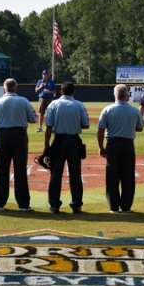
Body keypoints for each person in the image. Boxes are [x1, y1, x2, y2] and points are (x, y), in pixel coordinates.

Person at [0, 78, 37, 211]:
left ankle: (0, 203)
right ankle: (23, 204)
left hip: (2, 136)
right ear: (16, 88)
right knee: (20, 169)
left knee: (2, 169)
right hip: (19, 135)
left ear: (4, 89)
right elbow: (33, 119)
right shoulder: (24, 101)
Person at [98, 84, 144, 213]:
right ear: (127, 95)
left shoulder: (107, 109)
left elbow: (101, 130)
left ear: (115, 95)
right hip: (128, 145)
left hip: (112, 144)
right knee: (128, 176)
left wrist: (101, 147)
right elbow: (140, 128)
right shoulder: (135, 110)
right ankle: (126, 207)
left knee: (112, 176)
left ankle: (113, 207)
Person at [44, 81, 90, 214]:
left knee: (55, 174)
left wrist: (46, 144)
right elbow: (86, 125)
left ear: (61, 92)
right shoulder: (79, 105)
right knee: (75, 174)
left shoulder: (54, 104)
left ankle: (54, 205)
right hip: (74, 141)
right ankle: (76, 205)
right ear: (73, 92)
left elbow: (49, 127)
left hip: (58, 141)